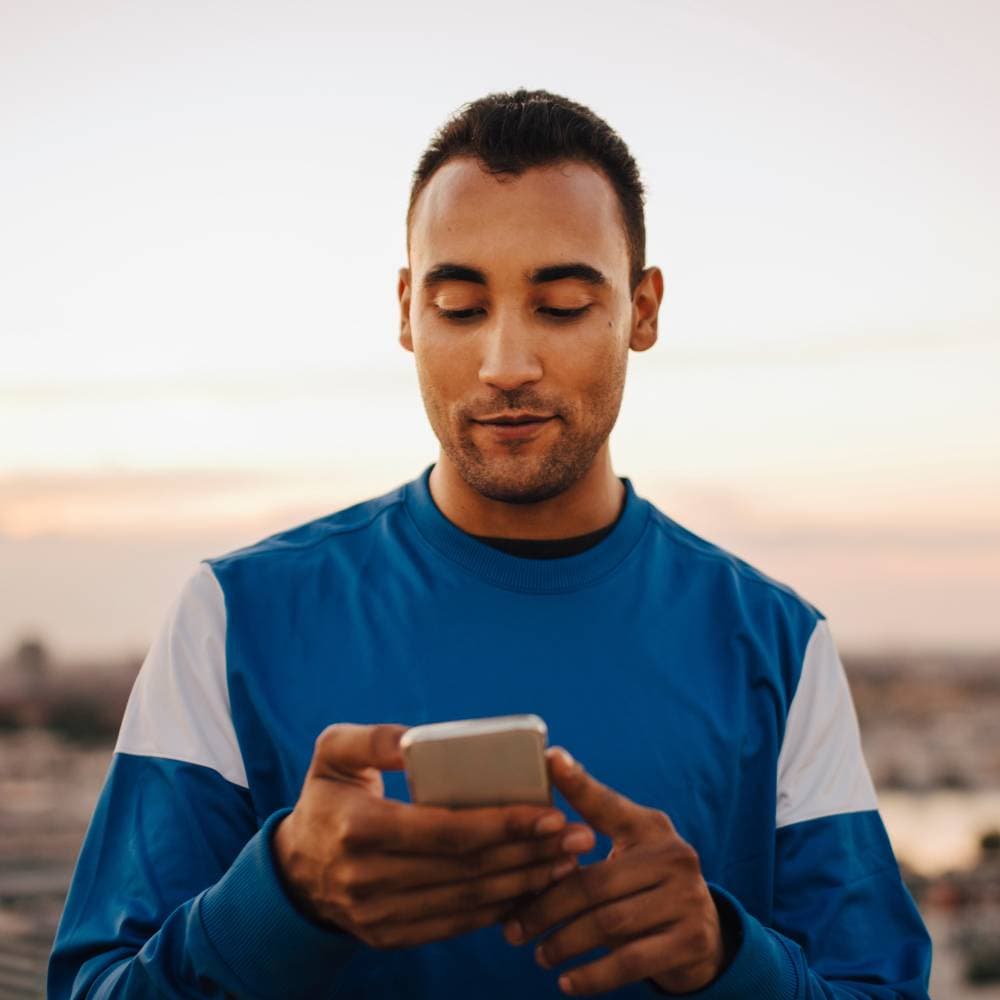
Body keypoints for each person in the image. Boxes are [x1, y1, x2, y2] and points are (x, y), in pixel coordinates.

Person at [48, 88, 932, 998]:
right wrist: (283, 895)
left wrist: (725, 957)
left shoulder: (779, 644)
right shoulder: (230, 620)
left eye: (560, 306)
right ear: (406, 312)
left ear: (642, 309)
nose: (506, 364)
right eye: (462, 308)